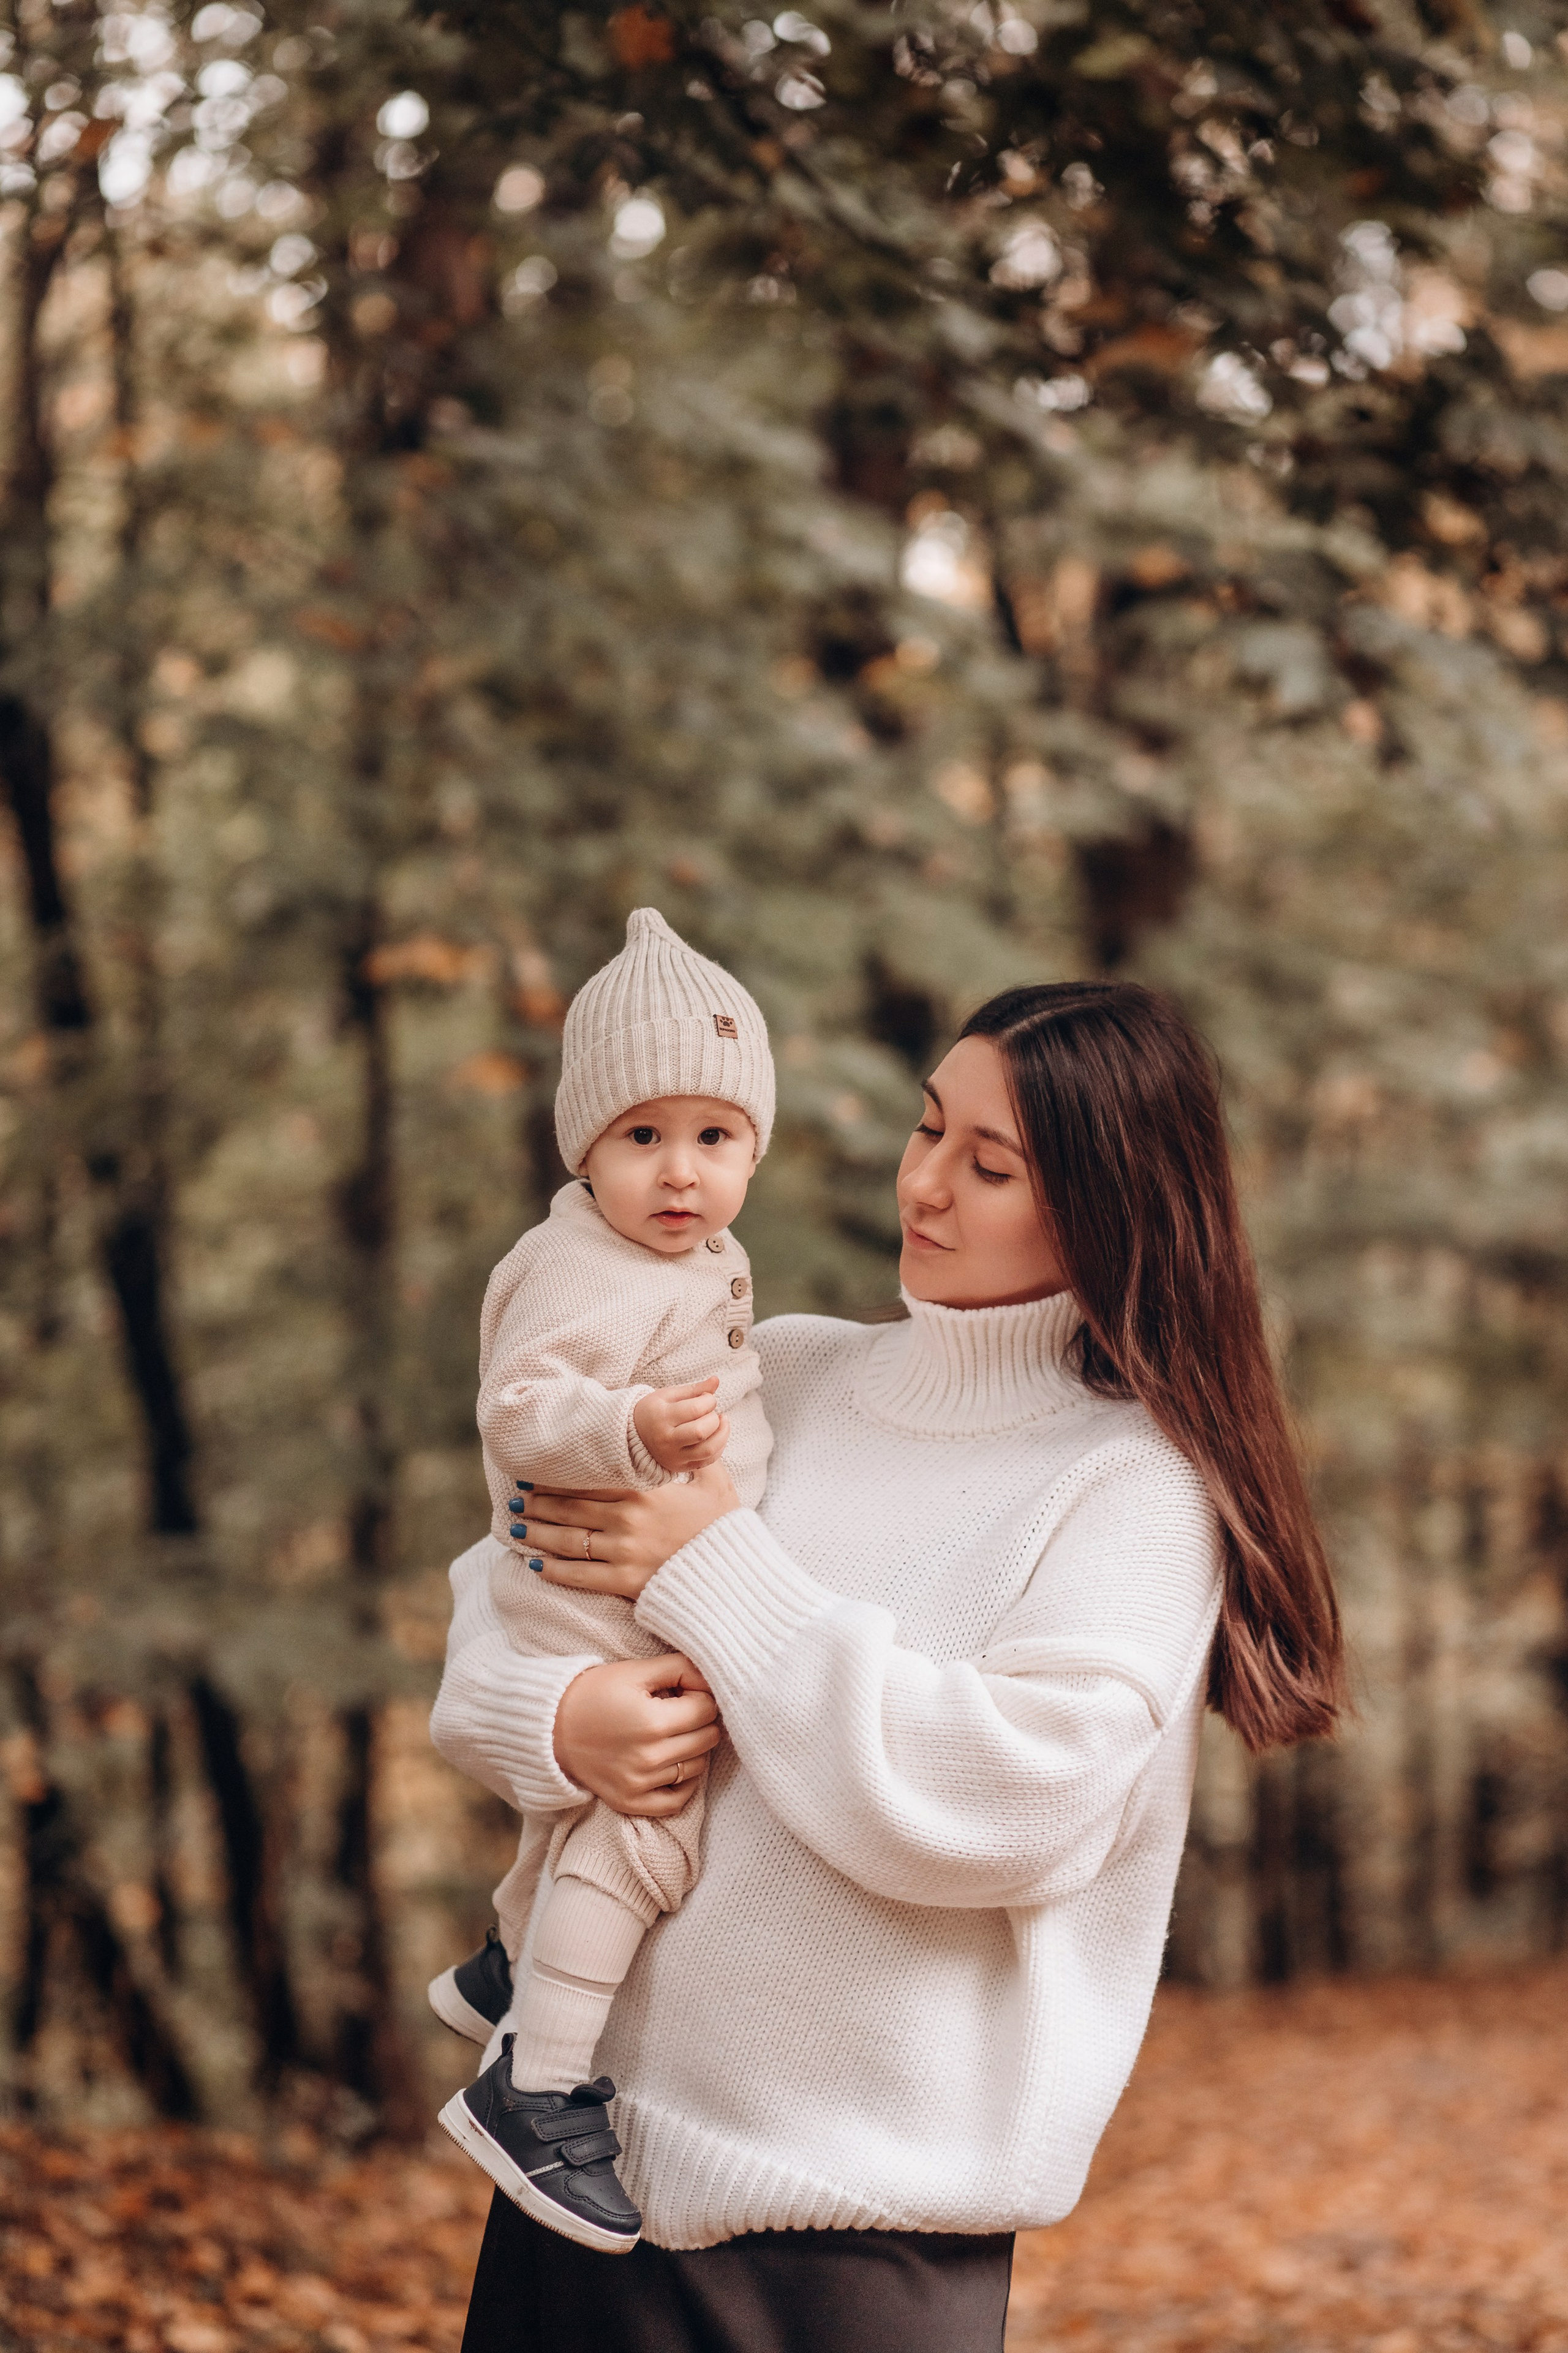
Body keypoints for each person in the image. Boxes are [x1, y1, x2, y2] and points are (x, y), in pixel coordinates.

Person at [431, 978, 1344, 2353]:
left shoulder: (1130, 1489)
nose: (924, 1184)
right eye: (927, 1132)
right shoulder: (780, 1372)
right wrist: (560, 1721)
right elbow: (505, 1585)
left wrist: (710, 1567)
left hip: (849, 2253)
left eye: (987, 1166)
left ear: (1103, 1206)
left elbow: (1000, 1803)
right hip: (577, 2183)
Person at [431, 907, 775, 2252]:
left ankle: (512, 1964)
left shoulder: (690, 1255)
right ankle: (538, 2087)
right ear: (583, 1146)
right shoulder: (587, 1262)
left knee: (595, 1821)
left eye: (714, 1137)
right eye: (641, 1137)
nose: (679, 1171)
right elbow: (521, 1403)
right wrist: (626, 1435)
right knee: (646, 1824)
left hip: (625, 1566)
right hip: (589, 1573)